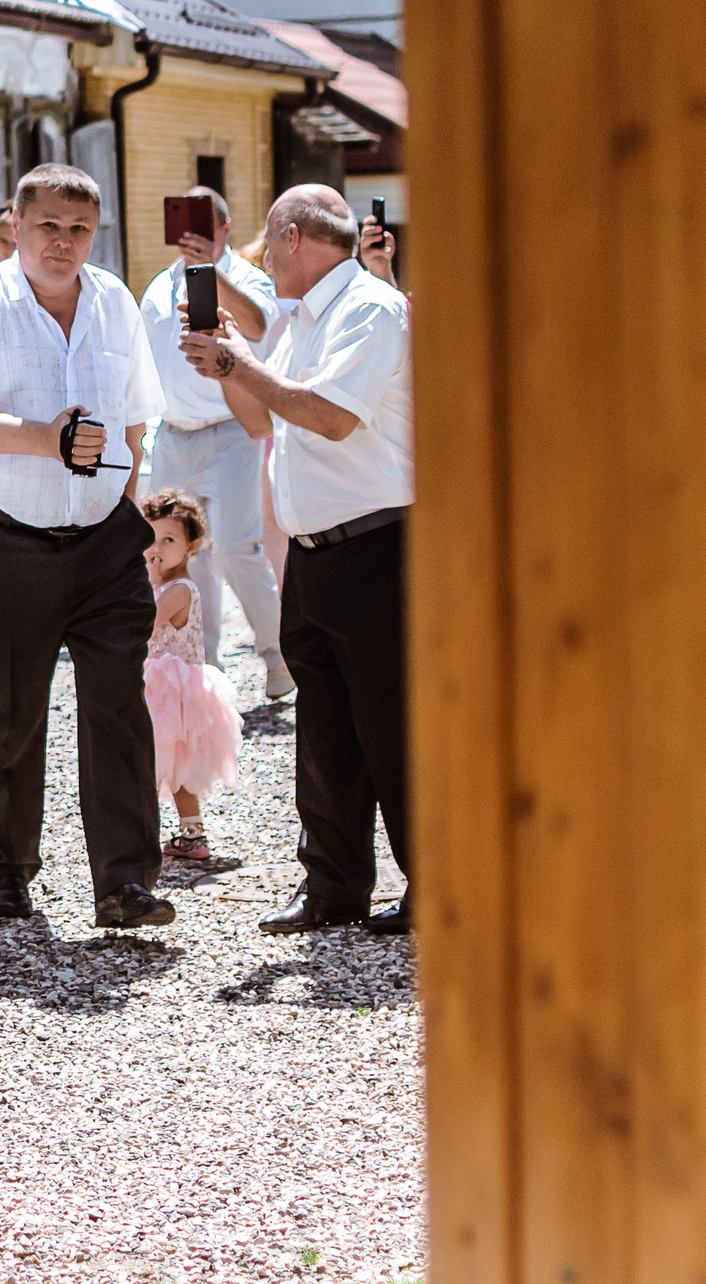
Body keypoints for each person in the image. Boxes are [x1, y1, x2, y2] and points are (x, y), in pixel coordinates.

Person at [0, 164, 175, 929]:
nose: (63, 242)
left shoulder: (115, 301)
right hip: (7, 539)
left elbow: (135, 419)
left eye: (78, 229)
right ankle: (7, 871)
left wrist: (126, 510)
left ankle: (124, 883)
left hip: (103, 541)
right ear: (17, 226)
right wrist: (49, 441)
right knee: (10, 713)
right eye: (48, 226)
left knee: (118, 709)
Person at [178, 183, 414, 935]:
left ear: (290, 237)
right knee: (325, 729)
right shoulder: (304, 317)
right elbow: (263, 419)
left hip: (381, 545)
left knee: (394, 725)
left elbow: (332, 417)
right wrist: (228, 366)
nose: (260, 259)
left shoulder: (369, 309)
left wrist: (239, 363)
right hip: (317, 552)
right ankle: (333, 885)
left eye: (263, 242)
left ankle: (437, 886)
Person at [137, 185, 293, 699]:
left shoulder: (246, 279)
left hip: (231, 431)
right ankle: (201, 663)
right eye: (183, 224)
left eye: (205, 225)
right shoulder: (161, 284)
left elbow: (258, 323)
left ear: (224, 229)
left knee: (236, 548)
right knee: (183, 553)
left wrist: (213, 272)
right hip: (174, 435)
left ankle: (276, 656)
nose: (192, 235)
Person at [137, 489, 242, 862]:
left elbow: (144, 624)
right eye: (151, 539)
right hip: (168, 686)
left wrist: (146, 579)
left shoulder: (179, 588)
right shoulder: (167, 585)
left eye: (169, 540)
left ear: (191, 546)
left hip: (170, 688)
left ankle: (159, 831)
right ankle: (188, 833)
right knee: (172, 763)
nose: (158, 548)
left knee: (162, 762)